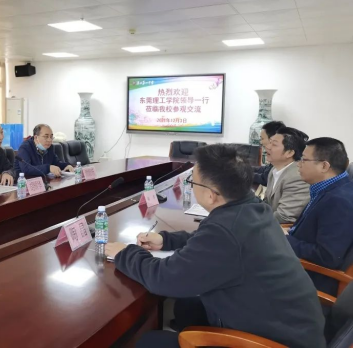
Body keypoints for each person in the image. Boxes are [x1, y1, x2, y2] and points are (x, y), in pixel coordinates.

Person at [105, 144, 325, 348]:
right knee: (187, 306)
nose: (192, 185)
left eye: (192, 182)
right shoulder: (251, 207)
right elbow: (214, 241)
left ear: (210, 195)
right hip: (292, 328)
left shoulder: (225, 229)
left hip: (270, 341)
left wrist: (126, 253)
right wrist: (166, 240)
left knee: (150, 342)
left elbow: (163, 279)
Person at [287, 137, 353, 296]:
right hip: (298, 268)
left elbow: (328, 256)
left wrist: (285, 240)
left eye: (304, 160)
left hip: (310, 282)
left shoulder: (338, 201)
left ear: (324, 166)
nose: (298, 164)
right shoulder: (329, 189)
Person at [264, 127, 310, 223]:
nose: (267, 146)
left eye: (274, 144)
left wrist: (252, 221)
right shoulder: (274, 169)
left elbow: (284, 217)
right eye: (269, 142)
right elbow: (266, 204)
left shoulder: (297, 177)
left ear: (289, 153)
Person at [253, 121, 285, 186]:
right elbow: (266, 169)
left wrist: (244, 174)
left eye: (262, 138)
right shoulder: (275, 155)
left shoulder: (281, 157)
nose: (261, 142)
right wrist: (246, 168)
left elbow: (265, 179)